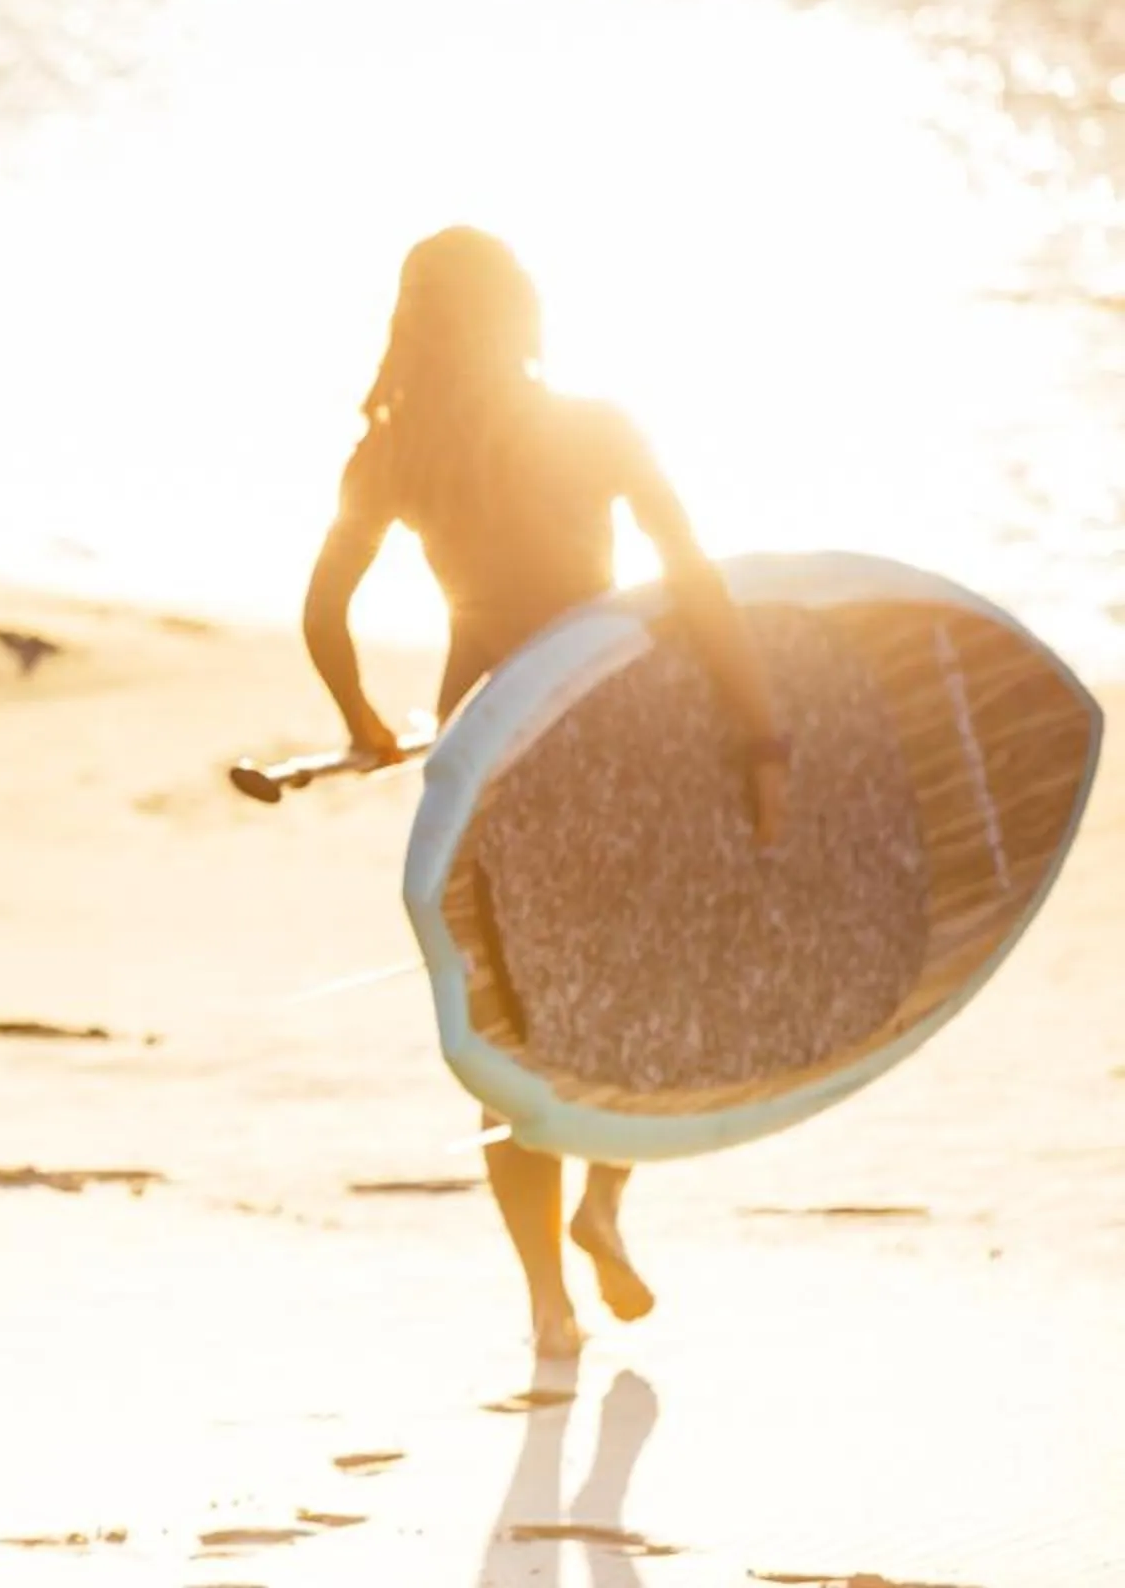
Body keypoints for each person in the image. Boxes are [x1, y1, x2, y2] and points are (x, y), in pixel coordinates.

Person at [300, 226, 788, 1361]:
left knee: (505, 1026)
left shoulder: (391, 455)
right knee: (634, 985)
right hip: (613, 720)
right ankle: (606, 1200)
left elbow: (324, 616)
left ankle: (546, 1305)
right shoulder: (596, 424)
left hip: (482, 741)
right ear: (524, 312)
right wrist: (761, 733)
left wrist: (362, 723)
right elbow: (694, 577)